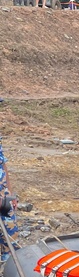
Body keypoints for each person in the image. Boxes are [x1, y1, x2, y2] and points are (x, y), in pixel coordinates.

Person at [0, 100, 18, 263]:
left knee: (10, 236)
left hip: (3, 194)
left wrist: (9, 192)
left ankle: (9, 272)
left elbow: (2, 162)